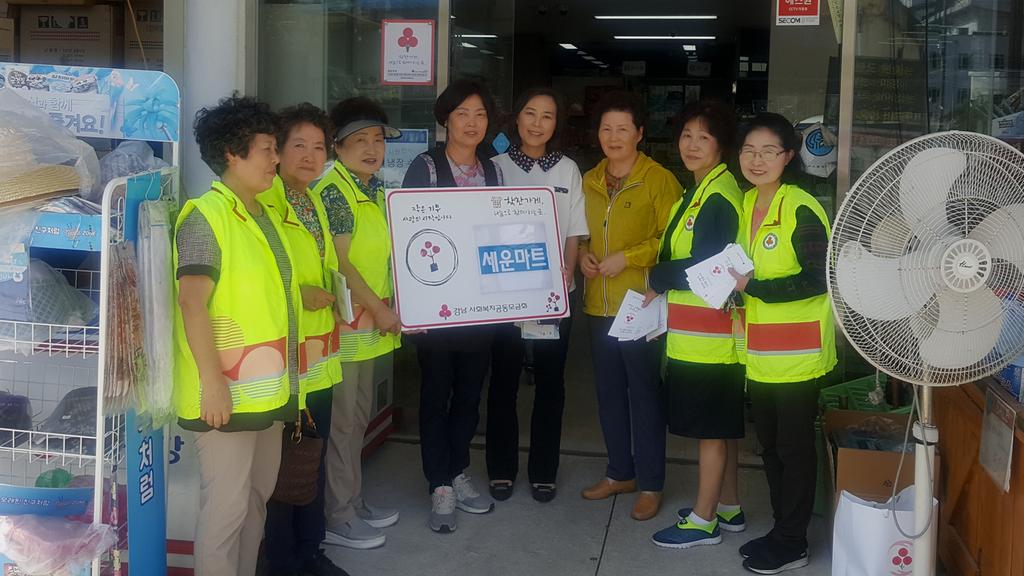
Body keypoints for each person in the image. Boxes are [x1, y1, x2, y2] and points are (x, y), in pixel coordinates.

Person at [174, 95, 296, 576]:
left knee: (255, 501)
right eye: (267, 149)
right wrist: (213, 383)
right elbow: (191, 303)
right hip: (225, 394)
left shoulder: (262, 213)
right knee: (226, 512)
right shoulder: (206, 216)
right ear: (232, 153)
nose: (275, 159)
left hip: (266, 391)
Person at [730, 113, 836, 574]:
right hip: (760, 356)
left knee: (793, 451)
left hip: (797, 358)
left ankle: (794, 543)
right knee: (771, 448)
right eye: (749, 150)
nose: (757, 160)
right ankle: (781, 530)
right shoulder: (745, 203)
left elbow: (818, 278)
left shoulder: (801, 207)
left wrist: (754, 287)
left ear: (788, 156)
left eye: (768, 151)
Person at [402, 79, 504, 533]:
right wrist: (412, 305)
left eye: (480, 114)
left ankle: (459, 469)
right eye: (462, 113)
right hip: (437, 307)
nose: (472, 122)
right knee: (435, 393)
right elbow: (407, 236)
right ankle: (439, 482)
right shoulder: (425, 167)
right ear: (446, 118)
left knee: (468, 394)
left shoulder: (493, 172)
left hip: (480, 308)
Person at [646, 101, 747, 550]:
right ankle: (728, 505)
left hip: (712, 339)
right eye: (687, 135)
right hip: (700, 335)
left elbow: (708, 267)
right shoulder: (701, 190)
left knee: (710, 431)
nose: (692, 144)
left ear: (721, 145)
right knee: (720, 426)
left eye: (703, 137)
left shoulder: (718, 196)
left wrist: (656, 276)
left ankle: (704, 521)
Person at [579, 90, 682, 521]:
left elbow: (672, 239)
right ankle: (620, 472)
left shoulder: (659, 179)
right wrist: (582, 253)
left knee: (644, 395)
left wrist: (629, 257)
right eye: (606, 128)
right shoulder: (589, 179)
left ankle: (652, 483)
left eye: (623, 128)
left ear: (640, 133)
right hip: (598, 305)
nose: (614, 136)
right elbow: (581, 232)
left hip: (641, 304)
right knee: (608, 395)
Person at [259, 103, 348, 576]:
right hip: (285, 361)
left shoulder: (312, 200)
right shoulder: (267, 202)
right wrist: (301, 294)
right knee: (285, 465)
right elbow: (257, 279)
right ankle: (285, 559)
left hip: (319, 356)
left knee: (312, 456)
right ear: (276, 150)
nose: (311, 156)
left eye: (319, 147)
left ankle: (311, 549)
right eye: (299, 146)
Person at [487, 88, 588, 503]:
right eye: (530, 113)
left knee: (550, 383)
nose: (537, 123)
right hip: (504, 296)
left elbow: (574, 231)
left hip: (553, 296)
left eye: (547, 116)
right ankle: (501, 468)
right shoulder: (495, 167)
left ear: (556, 124)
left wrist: (565, 275)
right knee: (503, 380)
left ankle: (544, 470)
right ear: (517, 118)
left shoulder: (567, 170)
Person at [316, 97, 402, 550]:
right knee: (344, 422)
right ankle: (338, 515)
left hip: (370, 328)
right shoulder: (336, 191)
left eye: (378, 140)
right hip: (348, 327)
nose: (372, 148)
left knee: (358, 417)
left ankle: (352, 500)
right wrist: (382, 310)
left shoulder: (371, 188)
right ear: (338, 146)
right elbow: (343, 265)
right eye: (360, 140)